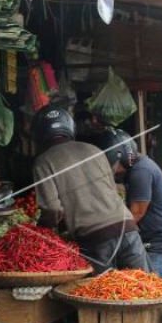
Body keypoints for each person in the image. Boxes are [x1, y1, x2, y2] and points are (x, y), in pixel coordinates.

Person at [31, 106, 148, 275]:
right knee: (147, 290)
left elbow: (52, 208)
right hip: (128, 229)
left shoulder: (43, 162)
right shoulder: (94, 150)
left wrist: (43, 230)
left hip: (95, 239)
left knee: (103, 296)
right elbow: (112, 189)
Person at [89, 129, 162, 280]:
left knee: (157, 297)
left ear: (122, 157)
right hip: (155, 244)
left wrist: (109, 234)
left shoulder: (141, 171)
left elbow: (137, 213)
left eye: (113, 165)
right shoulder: (137, 168)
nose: (114, 171)